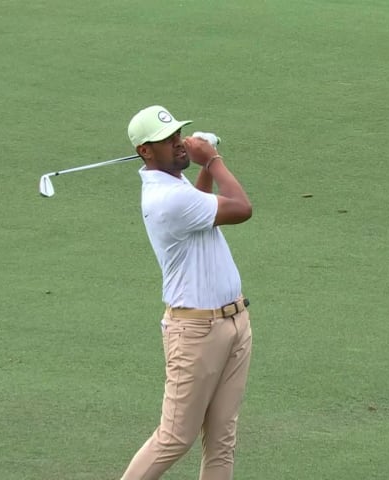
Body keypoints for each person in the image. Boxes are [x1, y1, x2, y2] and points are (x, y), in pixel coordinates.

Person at [120, 105, 254, 480]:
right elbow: (242, 208)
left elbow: (200, 213)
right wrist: (213, 161)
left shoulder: (173, 184)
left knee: (222, 439)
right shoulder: (166, 198)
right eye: (169, 141)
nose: (180, 144)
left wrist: (204, 173)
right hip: (196, 333)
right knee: (175, 438)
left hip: (234, 323)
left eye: (179, 135)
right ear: (146, 151)